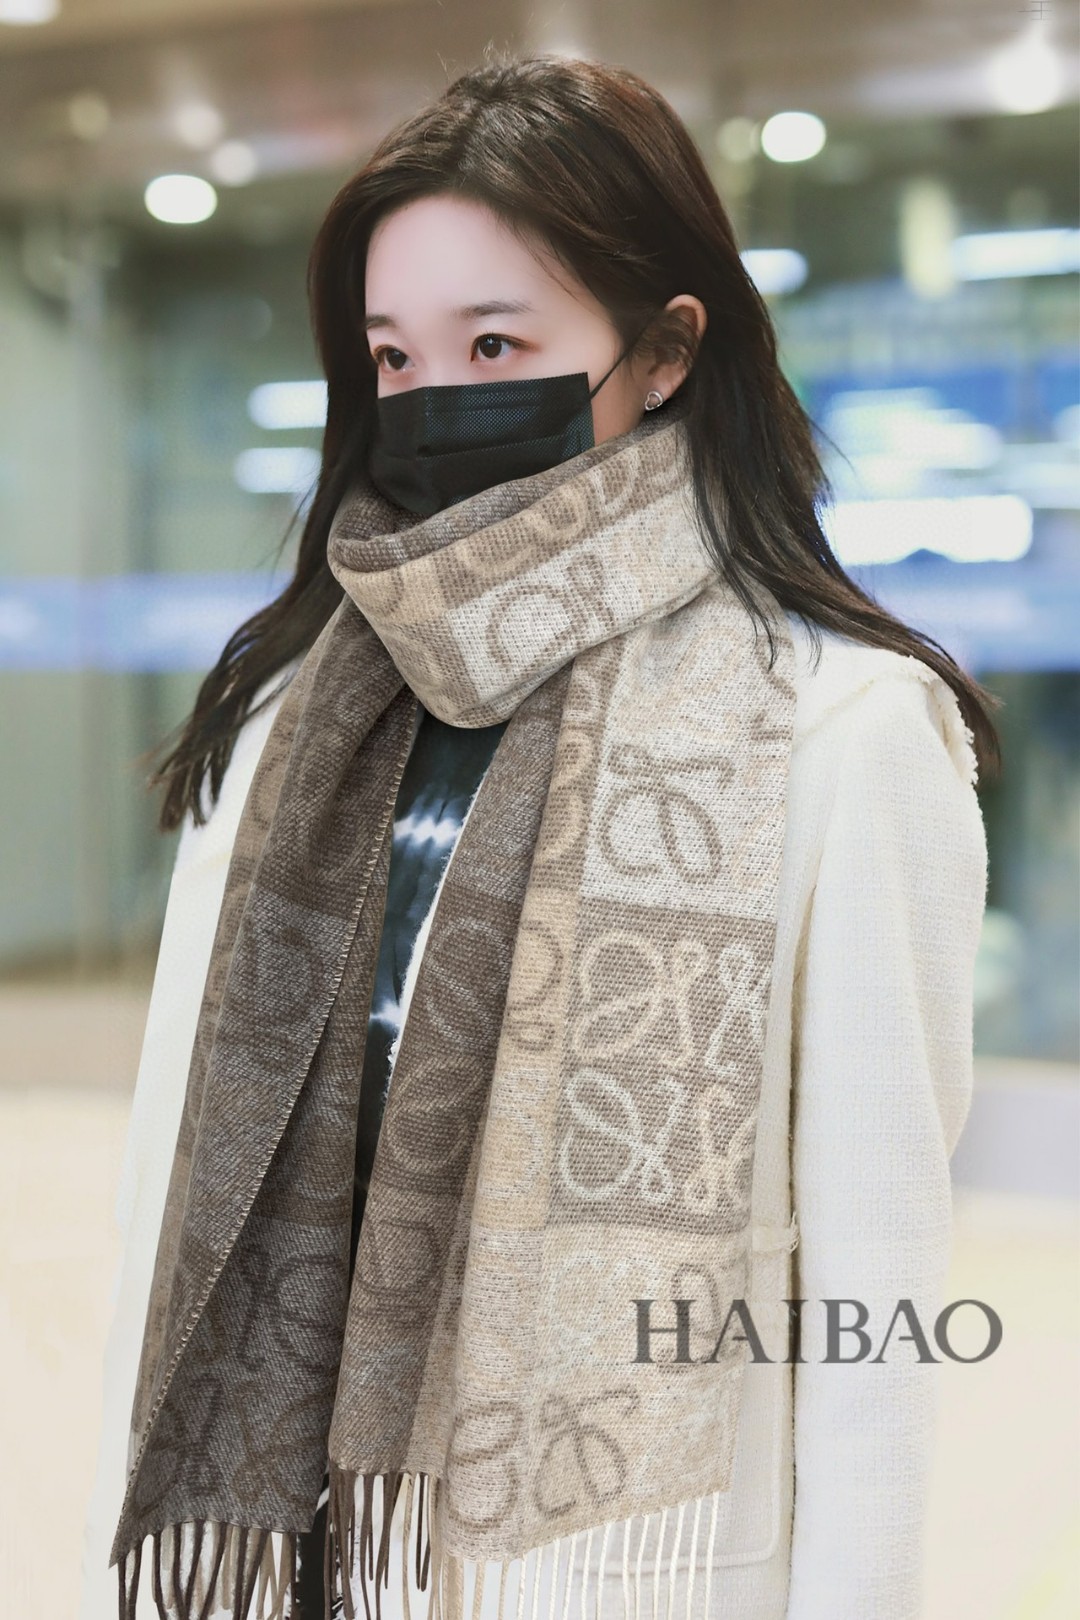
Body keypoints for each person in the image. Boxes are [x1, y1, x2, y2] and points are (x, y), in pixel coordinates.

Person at [79, 52, 997, 1620]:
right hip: (312, 1559)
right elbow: (180, 1190)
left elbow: (873, 1289)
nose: (435, 398)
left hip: (634, 1571)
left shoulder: (842, 730)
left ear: (667, 351)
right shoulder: (291, 718)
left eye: (495, 344)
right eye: (394, 355)